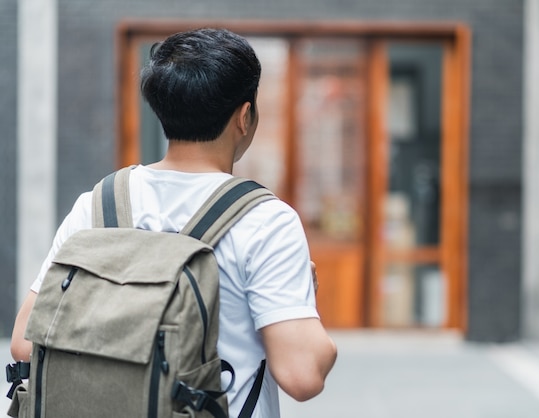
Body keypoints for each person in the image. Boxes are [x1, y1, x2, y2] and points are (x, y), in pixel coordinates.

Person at [10, 28, 337, 417]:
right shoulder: (266, 220)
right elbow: (303, 375)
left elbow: (25, 343)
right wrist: (299, 301)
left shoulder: (99, 204)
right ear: (245, 116)